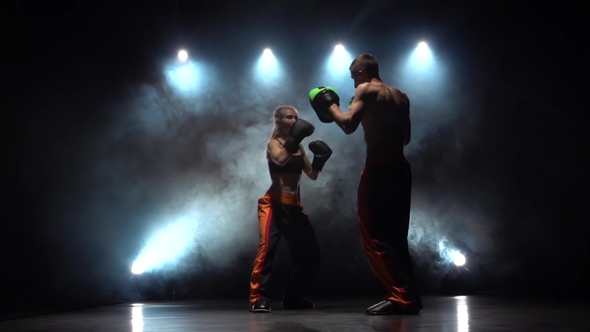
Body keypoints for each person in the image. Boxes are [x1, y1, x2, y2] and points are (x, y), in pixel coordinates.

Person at [308, 54, 423, 315]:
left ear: (360, 73)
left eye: (352, 77)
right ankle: (409, 295)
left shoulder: (365, 89)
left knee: (375, 234)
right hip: (401, 168)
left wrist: (332, 107)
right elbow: (406, 138)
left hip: (379, 168)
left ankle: (400, 297)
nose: (352, 83)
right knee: (397, 235)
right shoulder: (401, 96)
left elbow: (348, 125)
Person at [249, 105, 333, 313]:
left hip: (294, 206)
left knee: (311, 255)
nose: (294, 120)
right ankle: (257, 298)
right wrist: (295, 138)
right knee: (266, 252)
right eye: (289, 117)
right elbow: (280, 159)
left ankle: (293, 296)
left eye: (296, 117)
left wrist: (320, 159)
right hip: (274, 204)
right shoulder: (273, 144)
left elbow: (312, 174)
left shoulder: (299, 147)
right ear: (278, 121)